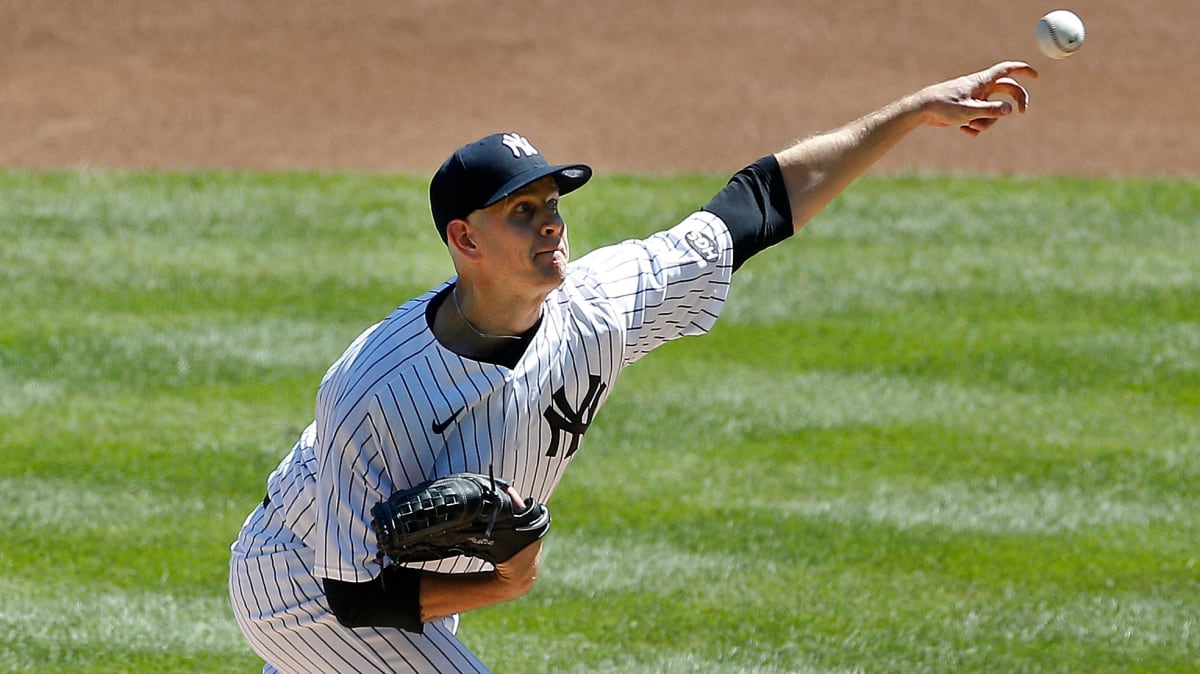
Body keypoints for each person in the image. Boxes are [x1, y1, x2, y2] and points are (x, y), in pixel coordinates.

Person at [229, 61, 1036, 673]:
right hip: (300, 583)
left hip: (408, 590)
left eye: (553, 205)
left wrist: (911, 112)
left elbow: (755, 206)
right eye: (522, 213)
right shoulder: (373, 388)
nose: (552, 226)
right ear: (464, 240)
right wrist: (507, 580)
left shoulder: (600, 304)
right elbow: (355, 596)